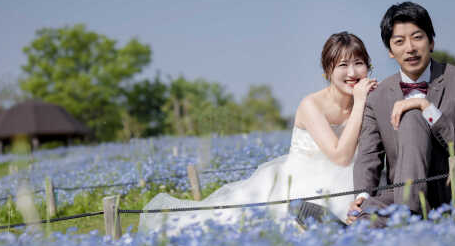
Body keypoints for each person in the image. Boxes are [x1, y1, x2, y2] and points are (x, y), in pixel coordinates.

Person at [139, 32, 377, 234]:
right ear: (327, 71)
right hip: (300, 186)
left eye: (359, 63)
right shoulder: (311, 105)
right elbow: (340, 156)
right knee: (231, 226)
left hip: (351, 182)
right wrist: (359, 102)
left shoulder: (370, 98)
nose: (352, 72)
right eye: (342, 65)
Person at [348, 2, 455, 224]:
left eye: (417, 37)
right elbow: (369, 155)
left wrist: (426, 107)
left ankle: (396, 217)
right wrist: (362, 196)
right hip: (401, 193)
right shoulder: (378, 96)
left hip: (452, 193)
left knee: (411, 116)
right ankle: (389, 215)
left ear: (431, 42)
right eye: (399, 42)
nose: (409, 48)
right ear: (391, 52)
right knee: (369, 207)